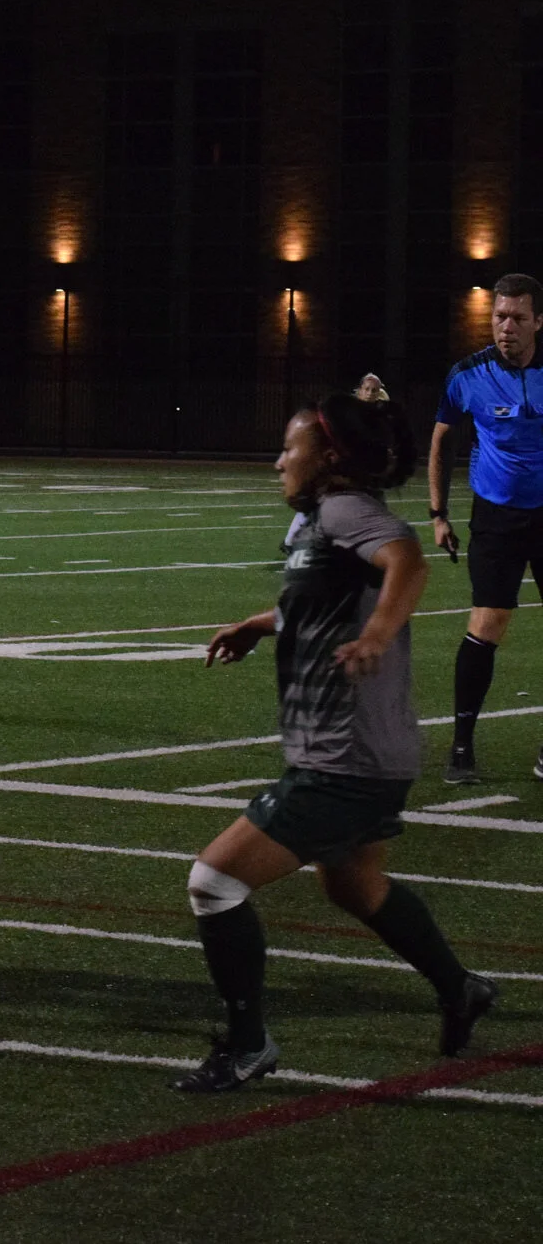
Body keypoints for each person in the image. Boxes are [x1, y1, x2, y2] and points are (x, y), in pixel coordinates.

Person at [181, 393, 497, 1092]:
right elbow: (318, 598)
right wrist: (258, 624)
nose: (278, 463)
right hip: (360, 750)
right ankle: (460, 987)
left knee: (215, 881)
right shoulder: (318, 519)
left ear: (327, 457)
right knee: (355, 885)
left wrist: (377, 635)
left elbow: (407, 560)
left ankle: (247, 1045)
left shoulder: (345, 510)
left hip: (347, 757)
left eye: (288, 449)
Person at [429, 272, 543, 784]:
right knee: (487, 624)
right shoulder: (467, 375)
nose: (506, 327)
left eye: (518, 317)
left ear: (538, 321)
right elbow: (441, 440)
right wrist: (438, 514)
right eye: (500, 316)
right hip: (496, 517)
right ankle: (461, 746)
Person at [284, 372, 391, 553]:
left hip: (360, 469)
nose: (370, 394)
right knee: (317, 498)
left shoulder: (379, 415)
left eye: (374, 390)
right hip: (340, 465)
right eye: (367, 389)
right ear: (359, 391)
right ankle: (292, 540)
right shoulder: (347, 411)